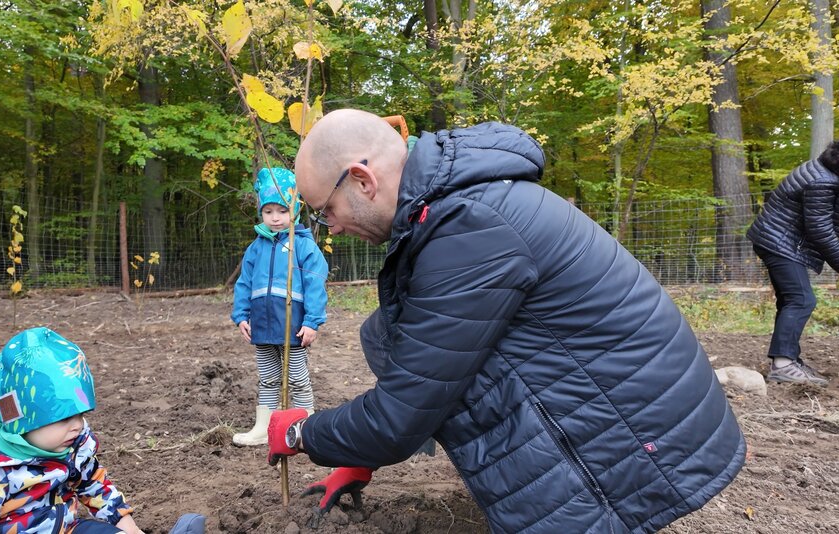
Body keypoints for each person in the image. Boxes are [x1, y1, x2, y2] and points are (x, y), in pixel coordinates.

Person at [264, 109, 746, 533]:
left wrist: (301, 432)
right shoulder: (459, 207)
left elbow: (401, 414)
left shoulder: (470, 229)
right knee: (385, 333)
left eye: (327, 211)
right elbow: (423, 366)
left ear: (363, 181)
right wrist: (358, 451)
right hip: (637, 412)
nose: (335, 227)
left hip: (643, 442)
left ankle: (593, 512)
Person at [0, 327, 205, 534]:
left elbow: (95, 485)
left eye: (80, 415)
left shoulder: (71, 445)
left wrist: (130, 528)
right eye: (63, 419)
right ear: (21, 419)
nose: (77, 425)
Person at [231, 167, 329, 446]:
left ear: (295, 211)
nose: (275, 218)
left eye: (282, 210)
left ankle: (306, 427)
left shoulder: (304, 246)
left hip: (292, 323)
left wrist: (312, 321)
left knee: (297, 377)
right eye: (268, 211)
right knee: (268, 377)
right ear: (261, 213)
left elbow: (315, 285)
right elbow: (244, 284)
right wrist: (241, 316)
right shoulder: (255, 248)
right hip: (261, 323)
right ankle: (266, 427)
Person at [746, 139, 839, 386]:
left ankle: (789, 360)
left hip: (777, 239)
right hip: (779, 243)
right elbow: (820, 231)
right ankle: (783, 365)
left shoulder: (827, 172)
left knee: (792, 300)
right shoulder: (823, 181)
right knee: (801, 299)